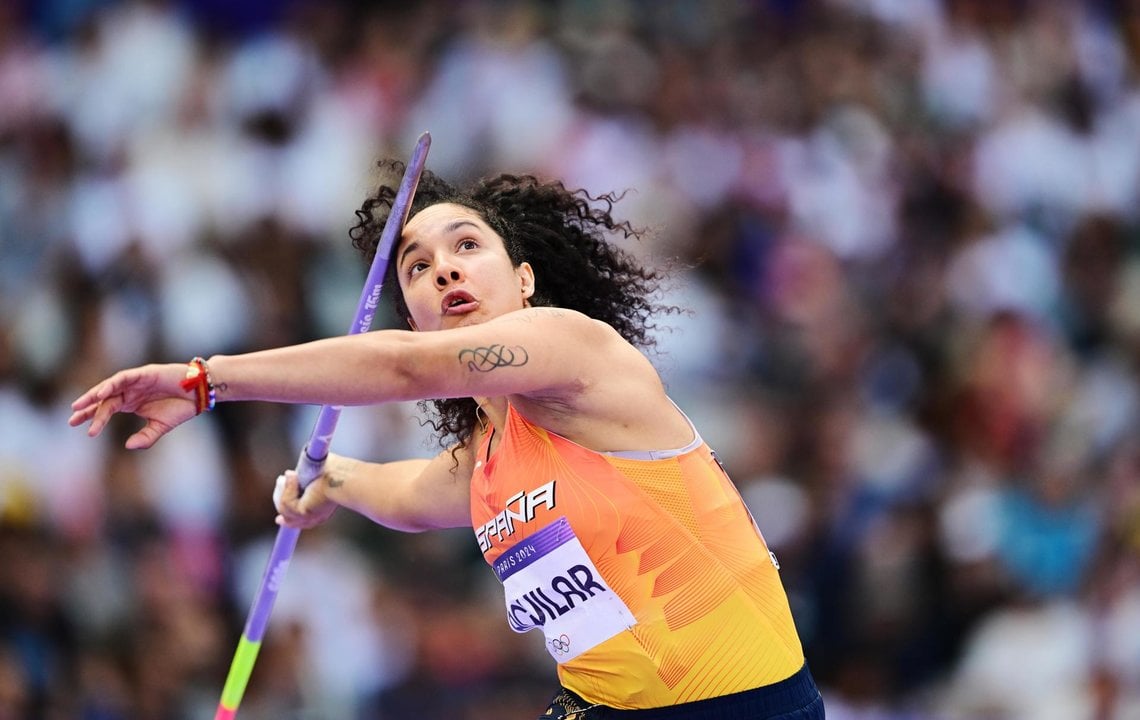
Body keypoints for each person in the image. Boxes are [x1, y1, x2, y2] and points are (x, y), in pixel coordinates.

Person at [69, 160, 825, 719]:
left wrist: (208, 381)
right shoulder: (490, 462)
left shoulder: (576, 354)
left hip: (746, 707)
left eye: (467, 247)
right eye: (419, 267)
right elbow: (409, 495)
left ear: (524, 279)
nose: (445, 271)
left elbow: (400, 369)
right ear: (413, 312)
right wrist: (330, 485)